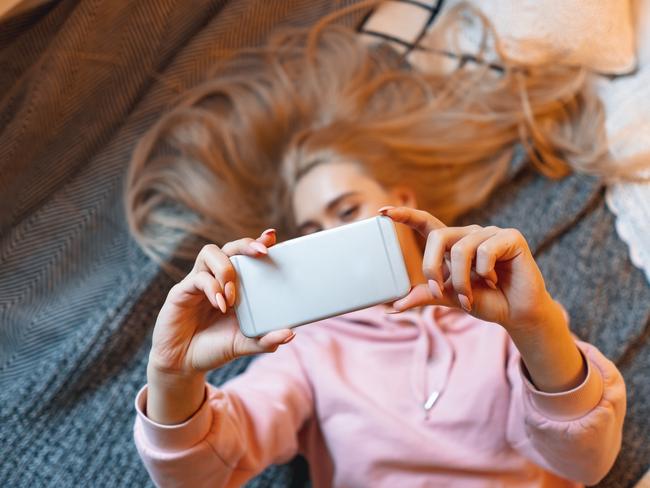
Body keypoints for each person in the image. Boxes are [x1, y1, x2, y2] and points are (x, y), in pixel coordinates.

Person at [126, 5, 625, 487]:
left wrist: (536, 323)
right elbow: (203, 475)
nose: (329, 235)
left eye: (345, 212)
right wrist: (171, 373)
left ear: (401, 201)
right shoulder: (307, 351)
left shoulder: (499, 315)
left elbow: (587, 463)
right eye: (311, 228)